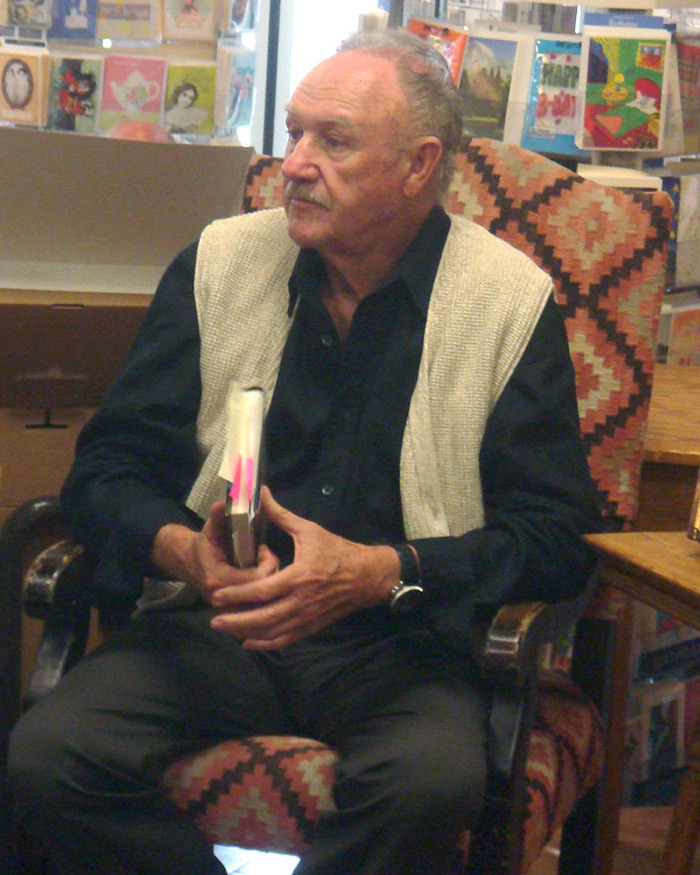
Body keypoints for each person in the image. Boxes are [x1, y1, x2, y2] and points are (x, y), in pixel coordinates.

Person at [8, 29, 602, 875]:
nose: (293, 163)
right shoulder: (219, 263)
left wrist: (378, 570)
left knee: (426, 784)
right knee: (48, 755)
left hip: (400, 644)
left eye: (334, 140)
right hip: (217, 623)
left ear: (418, 164)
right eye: (293, 133)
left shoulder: (506, 303)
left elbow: (552, 536)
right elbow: (106, 469)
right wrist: (184, 550)